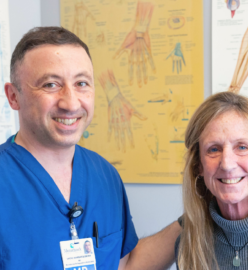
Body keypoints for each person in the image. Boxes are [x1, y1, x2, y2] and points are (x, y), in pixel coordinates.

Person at [1, 27, 181, 269]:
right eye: (51, 85)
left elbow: (123, 265)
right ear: (13, 96)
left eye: (81, 83)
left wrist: (193, 221)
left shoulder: (105, 175)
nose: (71, 102)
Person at [175, 91, 248, 269]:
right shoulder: (188, 243)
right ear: (199, 166)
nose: (226, 164)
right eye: (213, 149)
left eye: (242, 147)